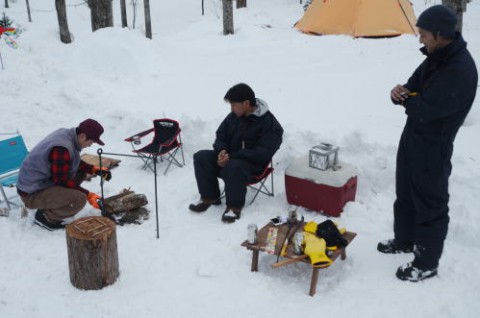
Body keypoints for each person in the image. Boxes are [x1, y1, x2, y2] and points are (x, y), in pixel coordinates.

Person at [378, 5, 478, 282]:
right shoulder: (437, 57)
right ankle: (405, 239)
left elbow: (427, 109)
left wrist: (409, 99)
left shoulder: (459, 69)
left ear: (439, 34)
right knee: (405, 194)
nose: (420, 39)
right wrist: (399, 92)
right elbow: (414, 86)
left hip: (434, 146)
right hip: (413, 137)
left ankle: (426, 262)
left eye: (423, 34)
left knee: (431, 204)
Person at [189, 83, 284, 223]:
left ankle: (234, 207)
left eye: (234, 104)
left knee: (233, 166)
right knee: (201, 156)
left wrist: (231, 156)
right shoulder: (234, 116)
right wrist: (221, 150)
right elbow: (221, 135)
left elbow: (262, 153)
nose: (231, 108)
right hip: (229, 159)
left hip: (252, 166)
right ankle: (209, 197)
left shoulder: (270, 124)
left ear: (246, 103)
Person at [17, 119, 112, 231]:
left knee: (80, 172)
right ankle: (46, 217)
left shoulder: (67, 135)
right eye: (90, 142)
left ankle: (57, 201)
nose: (90, 145)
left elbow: (69, 161)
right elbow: (61, 180)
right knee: (79, 199)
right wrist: (88, 195)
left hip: (42, 183)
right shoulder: (61, 147)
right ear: (82, 136)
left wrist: (94, 170)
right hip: (31, 194)